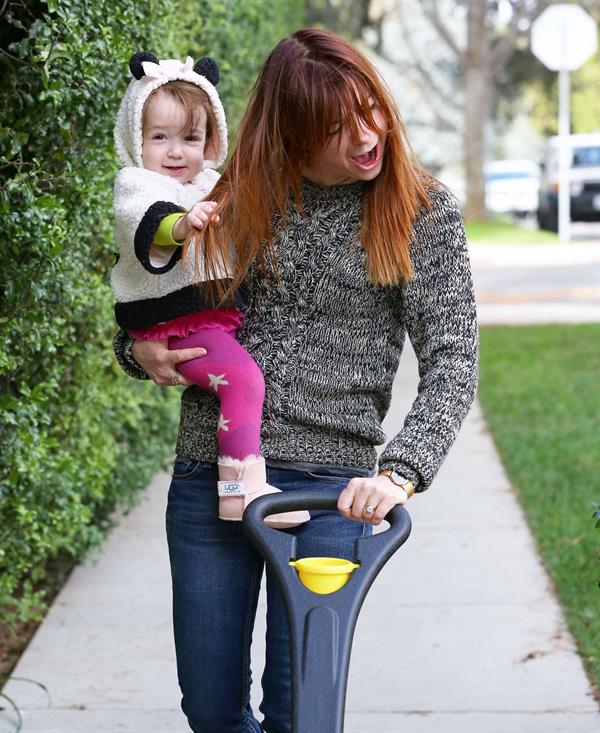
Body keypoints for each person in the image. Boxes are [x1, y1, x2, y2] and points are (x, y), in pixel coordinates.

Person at [113, 27, 478, 733]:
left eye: (369, 107)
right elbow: (157, 300)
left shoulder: (422, 213)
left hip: (333, 489)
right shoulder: (236, 197)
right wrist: (138, 352)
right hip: (213, 472)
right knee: (211, 707)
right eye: (335, 127)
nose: (366, 134)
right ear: (292, 133)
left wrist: (400, 472)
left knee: (302, 711)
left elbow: (454, 358)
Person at [111, 51, 308, 529]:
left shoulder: (209, 183)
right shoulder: (136, 183)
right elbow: (149, 225)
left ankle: (242, 487)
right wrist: (183, 225)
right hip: (171, 319)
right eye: (160, 138)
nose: (176, 152)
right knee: (243, 381)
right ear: (136, 140)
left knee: (240, 381)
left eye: (190, 138)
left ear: (211, 140)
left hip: (199, 316)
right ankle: (241, 490)